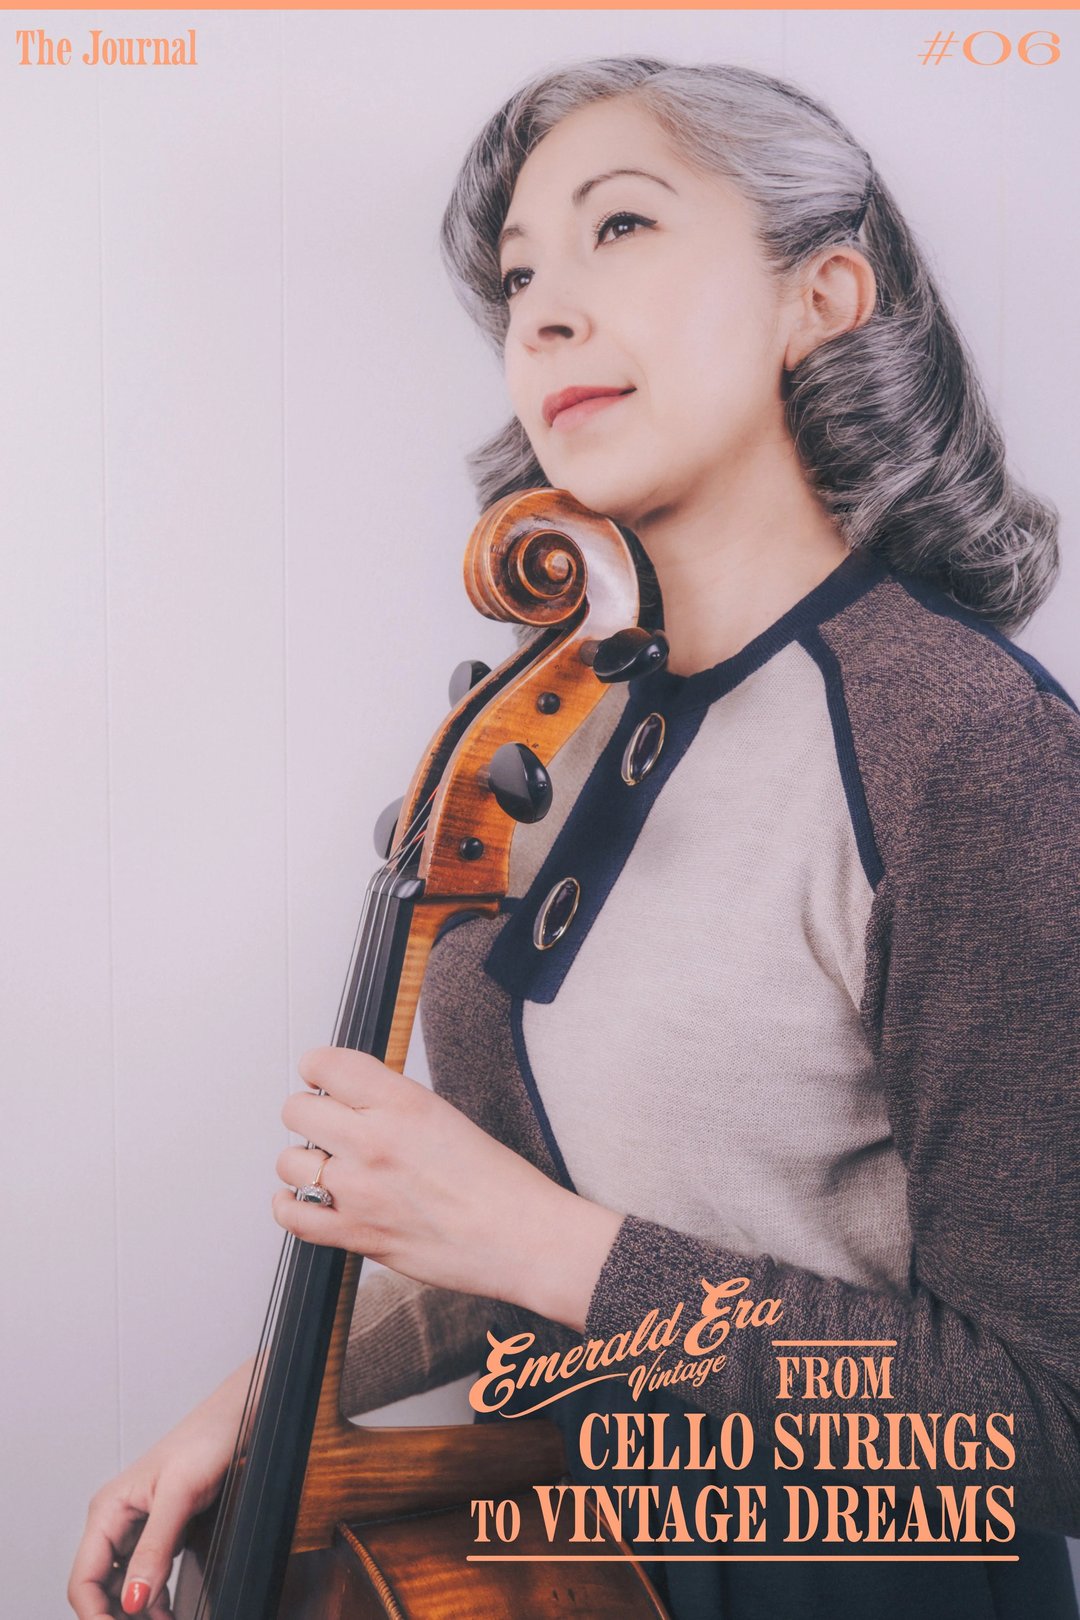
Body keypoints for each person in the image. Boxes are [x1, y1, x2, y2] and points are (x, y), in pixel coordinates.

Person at [69, 56, 1080, 1620]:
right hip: (569, 1551)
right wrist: (261, 1399)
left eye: (619, 229)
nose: (537, 314)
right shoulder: (562, 733)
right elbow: (525, 1218)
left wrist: (540, 1242)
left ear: (821, 295)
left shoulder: (964, 746)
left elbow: (1039, 1429)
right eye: (523, 272)